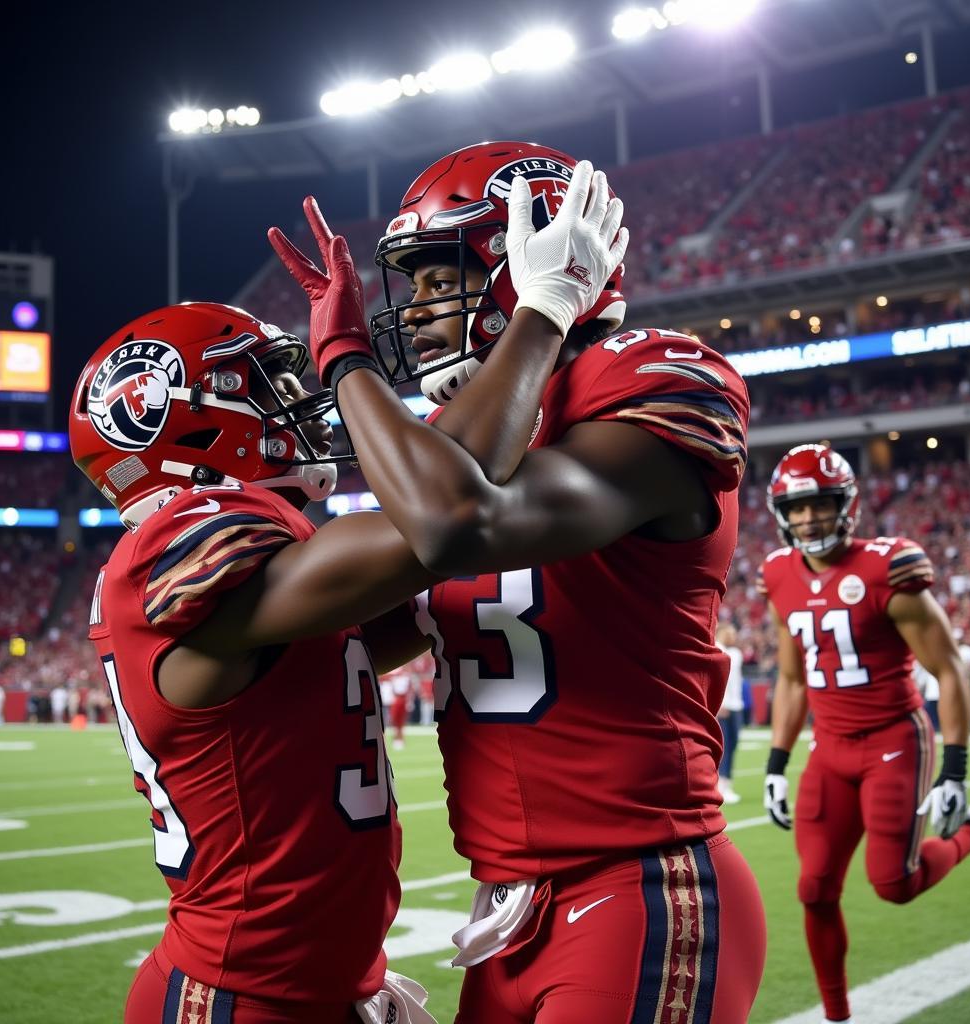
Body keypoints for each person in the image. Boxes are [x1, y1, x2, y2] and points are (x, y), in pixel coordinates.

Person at [69, 159, 616, 1023]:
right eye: (269, 385)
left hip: (299, 987)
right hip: (240, 997)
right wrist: (540, 314)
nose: (303, 404)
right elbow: (443, 522)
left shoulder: (269, 567)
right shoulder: (175, 542)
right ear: (179, 415)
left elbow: (449, 585)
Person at [323, 140, 766, 1023]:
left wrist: (345, 363)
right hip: (502, 908)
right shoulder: (470, 432)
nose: (410, 311)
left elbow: (462, 524)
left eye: (433, 277)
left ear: (519, 254)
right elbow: (344, 650)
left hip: (638, 880)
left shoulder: (654, 373)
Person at [758, 444, 970, 1024]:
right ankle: (837, 1016)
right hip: (828, 751)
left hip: (893, 741)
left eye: (819, 505)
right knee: (813, 888)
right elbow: (790, 678)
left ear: (845, 506)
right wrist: (777, 763)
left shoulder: (888, 568)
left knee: (893, 885)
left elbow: (949, 668)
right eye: (795, 509)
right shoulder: (777, 574)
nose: (807, 520)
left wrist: (955, 769)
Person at [715, 622, 745, 804]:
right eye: (731, 632)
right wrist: (720, 703)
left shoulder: (735, 653)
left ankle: (727, 783)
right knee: (723, 746)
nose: (734, 636)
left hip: (736, 705)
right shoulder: (716, 649)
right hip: (724, 706)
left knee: (732, 745)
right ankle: (720, 785)